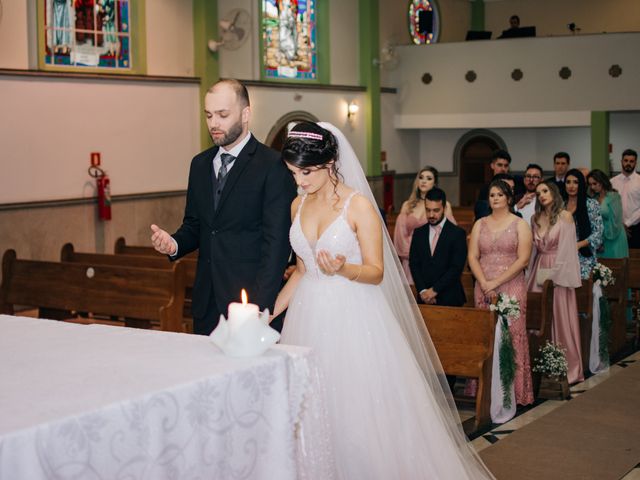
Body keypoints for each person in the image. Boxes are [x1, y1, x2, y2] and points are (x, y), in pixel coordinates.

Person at [273, 122, 494, 479]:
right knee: (311, 407)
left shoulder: (357, 206)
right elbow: (301, 270)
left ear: (330, 161)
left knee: (356, 409)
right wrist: (269, 312)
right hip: (306, 316)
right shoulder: (297, 204)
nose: (300, 180)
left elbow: (376, 271)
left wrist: (344, 269)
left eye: (307, 172)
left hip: (352, 315)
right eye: (294, 172)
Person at [150, 79, 296, 335]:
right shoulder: (199, 164)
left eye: (222, 115)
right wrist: (174, 243)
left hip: (250, 301)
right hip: (207, 302)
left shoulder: (272, 166)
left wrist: (260, 308)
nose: (213, 123)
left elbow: (276, 245)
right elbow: (196, 225)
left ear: (246, 113)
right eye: (208, 115)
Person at [468, 179, 534, 407]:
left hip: (511, 285)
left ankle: (512, 392)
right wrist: (484, 281)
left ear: (508, 198)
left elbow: (523, 259)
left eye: (499, 194)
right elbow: (473, 256)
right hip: (484, 286)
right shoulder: (480, 224)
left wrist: (496, 281)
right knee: (486, 337)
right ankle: (484, 390)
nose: (495, 198)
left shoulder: (520, 224)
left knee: (510, 336)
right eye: (492, 195)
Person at [527, 181, 584, 384]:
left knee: (559, 317)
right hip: (539, 270)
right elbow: (533, 251)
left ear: (553, 192)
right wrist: (530, 275)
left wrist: (556, 276)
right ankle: (540, 365)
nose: (541, 195)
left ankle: (565, 366)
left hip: (558, 273)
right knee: (537, 318)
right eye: (538, 193)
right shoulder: (535, 218)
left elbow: (568, 250)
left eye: (545, 191)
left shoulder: (565, 216)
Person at [394, 166, 456, 283]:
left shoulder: (445, 205)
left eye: (428, 178)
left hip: (435, 260)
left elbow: (449, 235)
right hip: (410, 259)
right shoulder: (407, 205)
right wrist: (414, 254)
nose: (423, 181)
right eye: (421, 178)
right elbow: (400, 236)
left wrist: (429, 255)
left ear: (435, 183)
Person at [409, 187, 467, 307]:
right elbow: (414, 264)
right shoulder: (419, 233)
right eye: (428, 210)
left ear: (444, 208)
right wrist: (423, 291)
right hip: (423, 299)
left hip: (450, 298)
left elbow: (456, 268)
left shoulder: (457, 234)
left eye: (436, 210)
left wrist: (434, 291)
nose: (431, 215)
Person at [564, 168, 603, 279]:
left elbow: (598, 233)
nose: (571, 186)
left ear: (581, 184)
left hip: (584, 256)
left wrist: (579, 244)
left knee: (583, 293)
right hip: (563, 256)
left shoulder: (591, 204)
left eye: (575, 182)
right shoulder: (561, 205)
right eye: (568, 182)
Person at [587, 169, 629, 258]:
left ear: (602, 181)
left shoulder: (614, 196)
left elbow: (616, 220)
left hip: (615, 236)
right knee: (601, 268)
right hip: (600, 238)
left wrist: (603, 235)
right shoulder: (594, 198)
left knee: (616, 267)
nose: (592, 187)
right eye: (590, 184)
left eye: (594, 183)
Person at [611, 149, 640, 249]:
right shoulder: (612, 182)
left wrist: (627, 223)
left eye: (631, 161)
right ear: (621, 161)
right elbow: (609, 205)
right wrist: (619, 223)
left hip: (635, 229)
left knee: (635, 259)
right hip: (615, 227)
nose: (628, 163)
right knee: (616, 258)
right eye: (626, 160)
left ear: (635, 163)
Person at [475, 149, 511, 220]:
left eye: (506, 166)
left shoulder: (513, 185)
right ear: (492, 165)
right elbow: (482, 213)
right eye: (500, 165)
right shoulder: (485, 189)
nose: (503, 169)